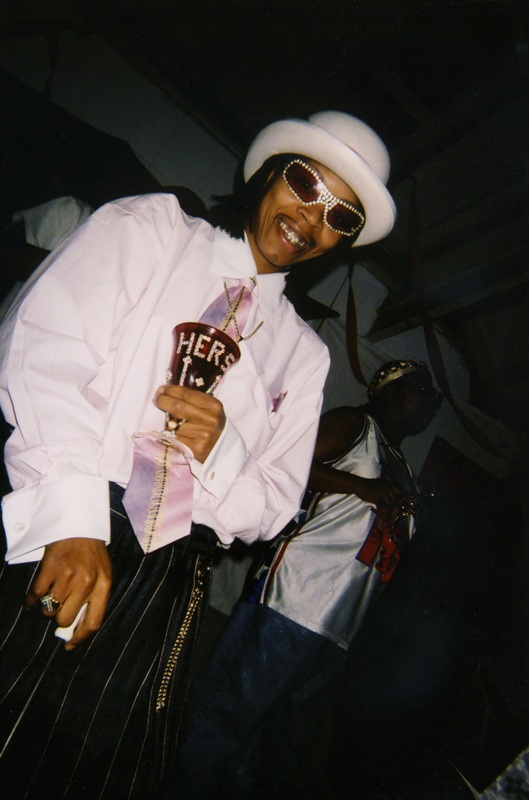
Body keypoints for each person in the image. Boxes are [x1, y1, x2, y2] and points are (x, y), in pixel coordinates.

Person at [0, 110, 396, 800]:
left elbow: (271, 509)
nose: (311, 217)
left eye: (340, 215)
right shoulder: (150, 232)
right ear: (271, 171)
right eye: (304, 183)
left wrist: (224, 450)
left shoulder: (301, 356)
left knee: (80, 769)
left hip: (166, 581)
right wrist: (72, 517)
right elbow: (42, 349)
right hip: (68, 512)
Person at [170, 359, 442, 799]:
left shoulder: (404, 469)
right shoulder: (356, 425)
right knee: (228, 717)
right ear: (393, 390)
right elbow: (281, 467)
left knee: (276, 746)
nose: (432, 404)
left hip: (341, 627)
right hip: (294, 600)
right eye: (424, 392)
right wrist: (359, 487)